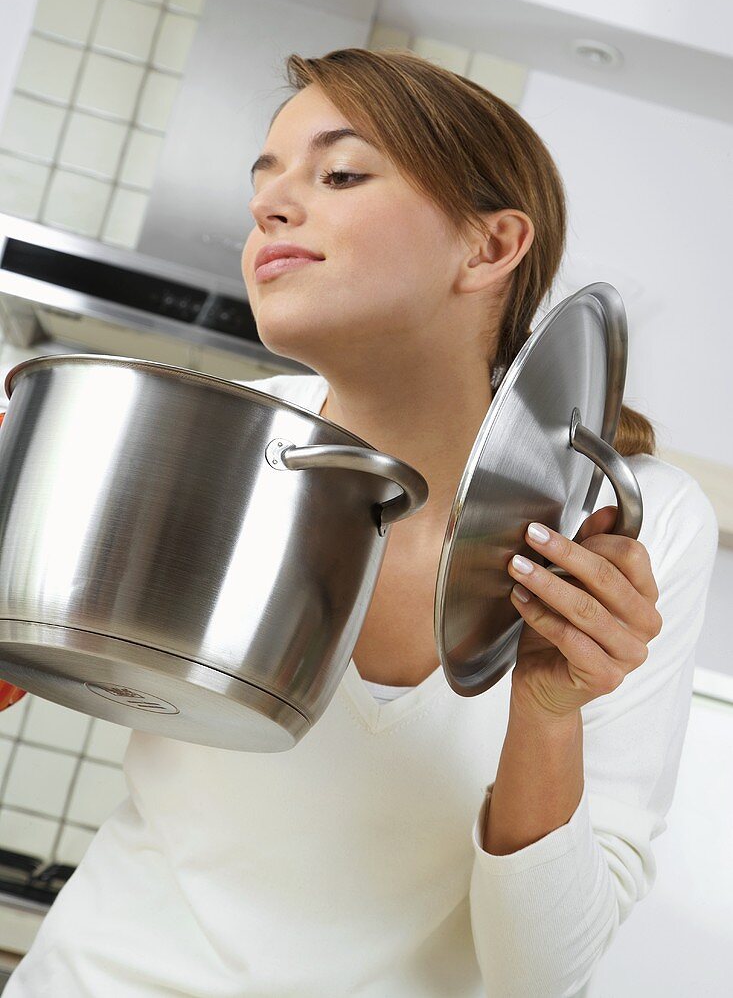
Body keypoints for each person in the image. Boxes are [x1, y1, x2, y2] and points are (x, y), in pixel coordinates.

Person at [4, 48, 718, 997]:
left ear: (490, 247)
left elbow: (538, 979)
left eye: (338, 174)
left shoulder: (628, 523)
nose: (270, 205)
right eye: (263, 179)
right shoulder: (204, 432)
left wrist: (548, 711)